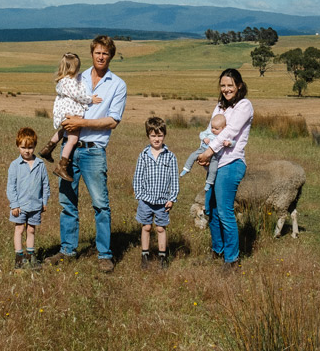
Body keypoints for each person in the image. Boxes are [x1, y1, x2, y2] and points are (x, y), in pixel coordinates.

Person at [45, 35, 127, 273]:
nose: (101, 56)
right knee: (67, 202)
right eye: (97, 52)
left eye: (105, 53)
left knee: (101, 205)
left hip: (93, 152)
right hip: (68, 150)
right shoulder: (77, 75)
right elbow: (62, 96)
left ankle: (104, 254)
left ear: (111, 56)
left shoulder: (117, 84)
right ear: (92, 54)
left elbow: (112, 121)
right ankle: (68, 250)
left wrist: (82, 121)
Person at [196, 68, 253, 270]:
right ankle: (217, 250)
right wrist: (203, 151)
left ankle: (232, 259)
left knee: (225, 211)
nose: (226, 89)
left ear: (239, 86)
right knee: (211, 208)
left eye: (230, 85)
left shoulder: (244, 106)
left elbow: (230, 131)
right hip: (215, 163)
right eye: (223, 85)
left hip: (231, 163)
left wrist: (209, 151)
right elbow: (212, 131)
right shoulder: (219, 106)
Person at [38, 52, 101, 182]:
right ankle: (62, 166)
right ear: (74, 68)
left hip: (63, 113)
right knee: (73, 139)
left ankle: (48, 148)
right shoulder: (70, 82)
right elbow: (77, 95)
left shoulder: (62, 81)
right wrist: (90, 99)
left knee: (63, 131)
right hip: (71, 113)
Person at [132, 116, 179, 270]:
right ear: (148, 136)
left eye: (159, 135)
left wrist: (172, 198)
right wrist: (139, 194)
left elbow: (174, 179)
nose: (156, 139)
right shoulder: (143, 155)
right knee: (146, 227)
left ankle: (162, 256)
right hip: (145, 200)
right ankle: (144, 255)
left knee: (160, 228)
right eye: (153, 135)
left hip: (162, 201)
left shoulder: (170, 156)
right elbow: (138, 176)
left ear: (164, 135)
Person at [6, 127, 50, 270]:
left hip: (35, 205)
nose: (27, 151)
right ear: (18, 146)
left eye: (30, 147)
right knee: (19, 229)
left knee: (31, 230)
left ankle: (31, 257)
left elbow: (45, 184)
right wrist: (14, 205)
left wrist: (44, 201)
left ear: (34, 146)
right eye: (23, 147)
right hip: (20, 206)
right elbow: (11, 186)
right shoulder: (14, 165)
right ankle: (19, 259)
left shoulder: (40, 164)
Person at [180, 113, 234, 197]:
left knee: (213, 170)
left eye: (216, 128)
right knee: (192, 156)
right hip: (202, 149)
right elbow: (201, 133)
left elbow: (233, 142)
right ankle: (186, 168)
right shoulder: (209, 131)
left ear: (223, 128)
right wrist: (204, 138)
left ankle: (209, 183)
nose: (213, 130)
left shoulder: (225, 135)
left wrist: (229, 143)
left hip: (215, 155)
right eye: (212, 127)